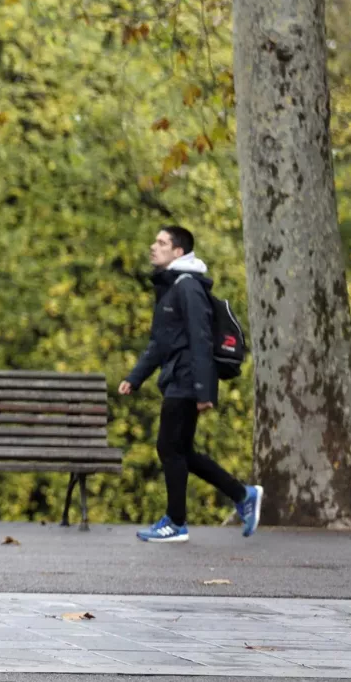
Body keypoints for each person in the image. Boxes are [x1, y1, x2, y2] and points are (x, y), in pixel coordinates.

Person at [119, 225, 263, 543]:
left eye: (161, 242)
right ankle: (243, 493)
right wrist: (135, 377)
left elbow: (201, 338)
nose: (152, 247)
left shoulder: (188, 287)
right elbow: (159, 343)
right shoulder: (172, 288)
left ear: (178, 251)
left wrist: (204, 390)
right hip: (178, 376)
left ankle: (176, 522)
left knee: (169, 447)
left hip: (187, 379)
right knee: (180, 450)